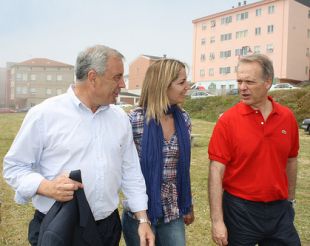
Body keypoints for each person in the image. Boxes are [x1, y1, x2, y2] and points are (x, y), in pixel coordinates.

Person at [3, 44, 154, 246]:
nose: (122, 85)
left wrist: (142, 219)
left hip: (107, 228)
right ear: (93, 77)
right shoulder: (44, 114)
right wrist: (46, 187)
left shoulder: (119, 118)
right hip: (61, 228)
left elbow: (131, 171)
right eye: (117, 77)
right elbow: (14, 167)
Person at [208, 54, 301, 246]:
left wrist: (290, 200)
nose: (242, 87)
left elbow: (291, 160)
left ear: (268, 82)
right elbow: (216, 171)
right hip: (240, 211)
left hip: (279, 211)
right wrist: (217, 221)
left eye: (249, 82)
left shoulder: (287, 118)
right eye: (239, 81)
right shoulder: (227, 121)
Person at [122, 59, 195, 246]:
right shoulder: (134, 120)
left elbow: (182, 168)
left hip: (173, 211)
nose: (187, 87)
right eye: (181, 82)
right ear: (162, 85)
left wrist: (188, 204)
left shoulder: (183, 118)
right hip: (141, 213)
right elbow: (124, 169)